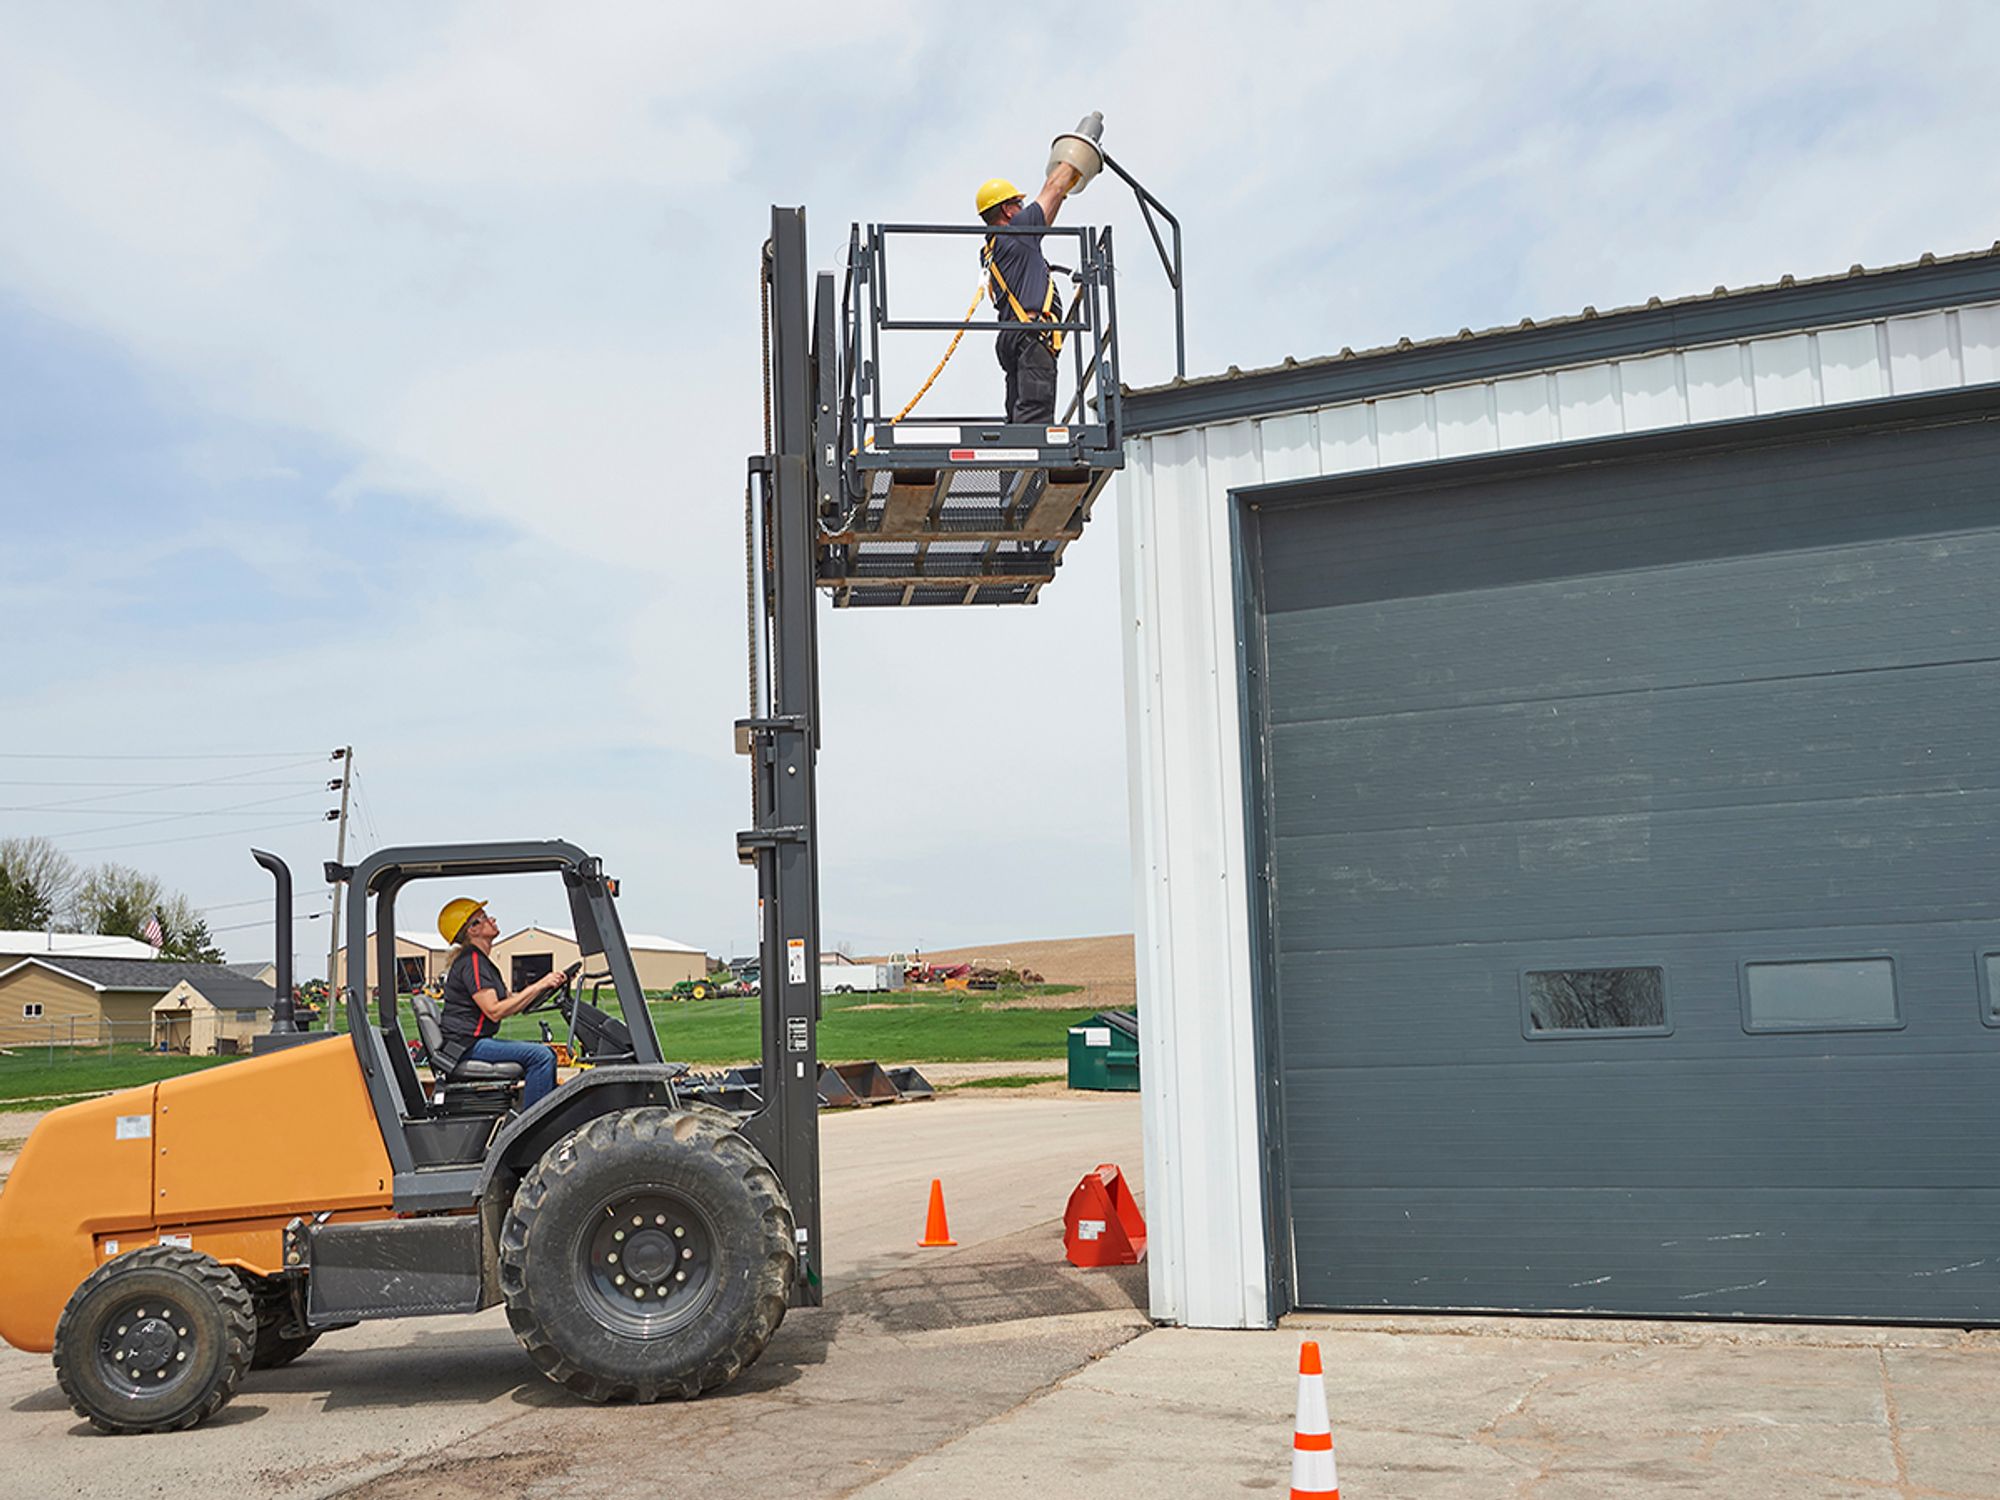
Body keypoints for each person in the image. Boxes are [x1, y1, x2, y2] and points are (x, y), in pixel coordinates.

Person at [977, 114, 1105, 425]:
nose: (1025, 209)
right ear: (1008, 210)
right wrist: (1081, 146)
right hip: (1031, 337)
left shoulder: (995, 248)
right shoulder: (1018, 232)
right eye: (1018, 205)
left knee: (1018, 422)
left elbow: (1054, 202)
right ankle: (1028, 469)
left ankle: (1015, 471)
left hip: (1013, 338)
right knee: (1033, 427)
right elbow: (1053, 186)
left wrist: (1066, 188)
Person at [433, 897, 572, 1108]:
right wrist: (538, 985)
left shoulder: (482, 962)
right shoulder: (472, 963)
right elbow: (494, 1011)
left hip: (470, 1043)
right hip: (466, 1044)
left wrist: (544, 987)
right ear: (473, 929)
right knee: (542, 1056)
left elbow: (510, 1001)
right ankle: (534, 1129)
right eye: (485, 918)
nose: (492, 920)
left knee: (544, 1053)